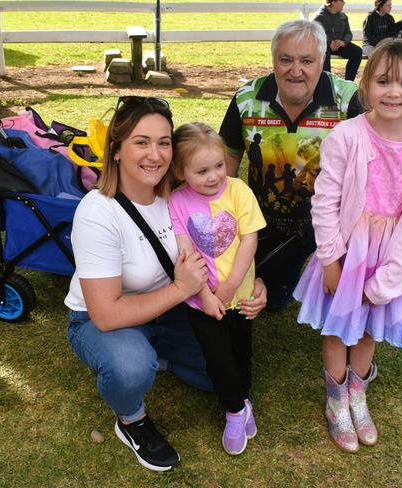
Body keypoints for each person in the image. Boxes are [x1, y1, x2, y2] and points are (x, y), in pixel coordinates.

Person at [64, 97, 267, 472]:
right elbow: (106, 315)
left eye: (163, 142)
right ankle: (132, 419)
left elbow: (228, 242)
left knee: (222, 378)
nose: (154, 154)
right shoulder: (97, 213)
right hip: (103, 319)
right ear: (116, 148)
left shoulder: (179, 193)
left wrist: (256, 282)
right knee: (130, 367)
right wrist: (180, 290)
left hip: (170, 311)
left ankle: (159, 355)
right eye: (141, 142)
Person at [293, 38, 402, 452]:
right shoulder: (346, 136)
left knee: (366, 331)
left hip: (391, 256)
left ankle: (357, 396)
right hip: (347, 251)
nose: (393, 93)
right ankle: (335, 399)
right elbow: (325, 201)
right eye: (383, 82)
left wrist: (387, 282)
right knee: (336, 326)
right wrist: (330, 259)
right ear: (365, 87)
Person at [219, 19, 360, 312]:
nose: (296, 71)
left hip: (333, 225)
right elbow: (227, 159)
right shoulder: (246, 99)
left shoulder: (349, 100)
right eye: (286, 60)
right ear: (273, 60)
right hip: (267, 222)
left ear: (322, 60)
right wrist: (225, 222)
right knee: (268, 301)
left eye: (307, 61)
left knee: (340, 298)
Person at [167, 122, 266, 456]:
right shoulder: (177, 202)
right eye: (202, 171)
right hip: (201, 303)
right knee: (218, 358)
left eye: (219, 166)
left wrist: (232, 285)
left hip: (240, 297)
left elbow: (249, 239)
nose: (213, 177)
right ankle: (235, 411)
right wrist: (206, 296)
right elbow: (185, 251)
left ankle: (243, 397)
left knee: (242, 352)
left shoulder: (239, 191)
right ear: (179, 171)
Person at [313, 0, 363, 81]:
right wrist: (329, 43)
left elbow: (348, 33)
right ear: (333, 2)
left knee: (357, 51)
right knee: (324, 53)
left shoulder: (343, 16)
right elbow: (315, 34)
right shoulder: (319, 16)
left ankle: (349, 83)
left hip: (340, 45)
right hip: (324, 46)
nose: (344, 3)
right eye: (342, 1)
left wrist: (343, 42)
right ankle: (327, 83)